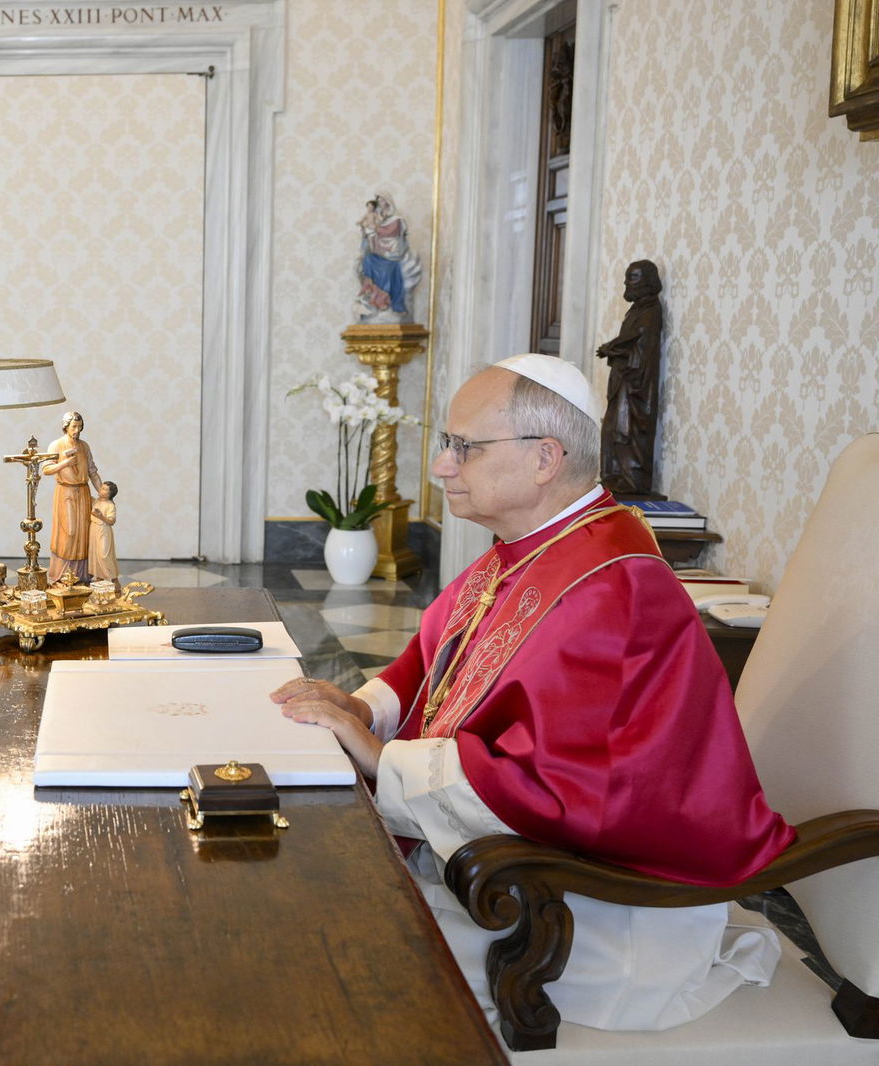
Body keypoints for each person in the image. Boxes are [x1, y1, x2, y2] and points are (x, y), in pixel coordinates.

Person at [272, 353, 794, 1032]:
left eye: (464, 447)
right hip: (519, 873)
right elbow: (438, 658)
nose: (442, 466)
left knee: (322, 945)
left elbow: (574, 787)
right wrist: (364, 707)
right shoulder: (533, 545)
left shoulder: (615, 586)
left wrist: (380, 757)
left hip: (597, 913)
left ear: (545, 458)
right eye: (447, 444)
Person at [596, 259, 664, 495]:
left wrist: (613, 348)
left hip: (635, 385)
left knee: (627, 431)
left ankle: (630, 479)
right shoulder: (637, 309)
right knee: (612, 430)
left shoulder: (651, 310)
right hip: (623, 382)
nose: (626, 283)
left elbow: (641, 339)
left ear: (647, 281)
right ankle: (614, 476)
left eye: (632, 278)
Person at [41, 411, 103, 582]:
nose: (77, 430)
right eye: (74, 426)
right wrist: (65, 463)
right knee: (69, 531)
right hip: (66, 492)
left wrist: (102, 492)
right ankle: (61, 576)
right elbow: (46, 469)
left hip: (83, 492)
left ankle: (82, 576)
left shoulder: (84, 446)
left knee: (83, 532)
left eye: (80, 426)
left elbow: (92, 471)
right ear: (66, 426)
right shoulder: (56, 445)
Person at [354, 192, 423, 322]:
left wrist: (375, 228)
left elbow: (391, 231)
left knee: (389, 270)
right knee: (367, 260)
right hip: (379, 249)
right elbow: (369, 229)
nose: (380, 203)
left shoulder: (396, 219)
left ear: (388, 202)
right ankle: (372, 296)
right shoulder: (378, 217)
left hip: (391, 251)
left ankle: (386, 300)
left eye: (382, 200)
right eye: (378, 200)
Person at [88, 480, 119, 582]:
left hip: (104, 530)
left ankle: (114, 579)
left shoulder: (110, 505)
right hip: (94, 529)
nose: (101, 489)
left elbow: (111, 521)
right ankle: (99, 577)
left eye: (105, 489)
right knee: (95, 554)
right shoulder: (96, 501)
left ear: (110, 494)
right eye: (102, 487)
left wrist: (101, 516)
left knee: (104, 555)